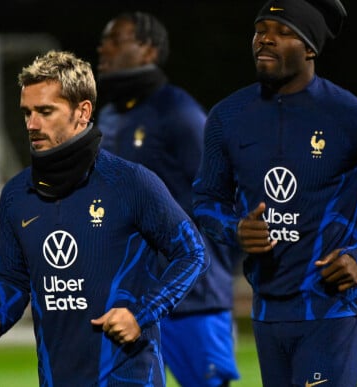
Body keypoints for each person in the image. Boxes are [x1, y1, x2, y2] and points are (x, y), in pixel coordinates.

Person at [191, 1, 357, 386]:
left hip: (335, 308)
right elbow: (205, 201)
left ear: (310, 48)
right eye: (260, 29)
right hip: (268, 310)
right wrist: (234, 229)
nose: (265, 39)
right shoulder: (227, 117)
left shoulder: (356, 117)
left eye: (283, 32)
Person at [0, 50, 206, 386]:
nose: (32, 124)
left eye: (45, 111)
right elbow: (12, 276)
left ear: (82, 112)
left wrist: (142, 314)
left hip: (129, 377)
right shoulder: (15, 196)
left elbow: (193, 253)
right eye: (27, 113)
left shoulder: (130, 182)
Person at [96, 11, 240, 387]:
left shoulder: (180, 113)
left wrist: (215, 272)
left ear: (148, 50)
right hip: (132, 298)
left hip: (193, 297)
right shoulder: (108, 118)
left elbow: (223, 193)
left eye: (116, 39)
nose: (103, 47)